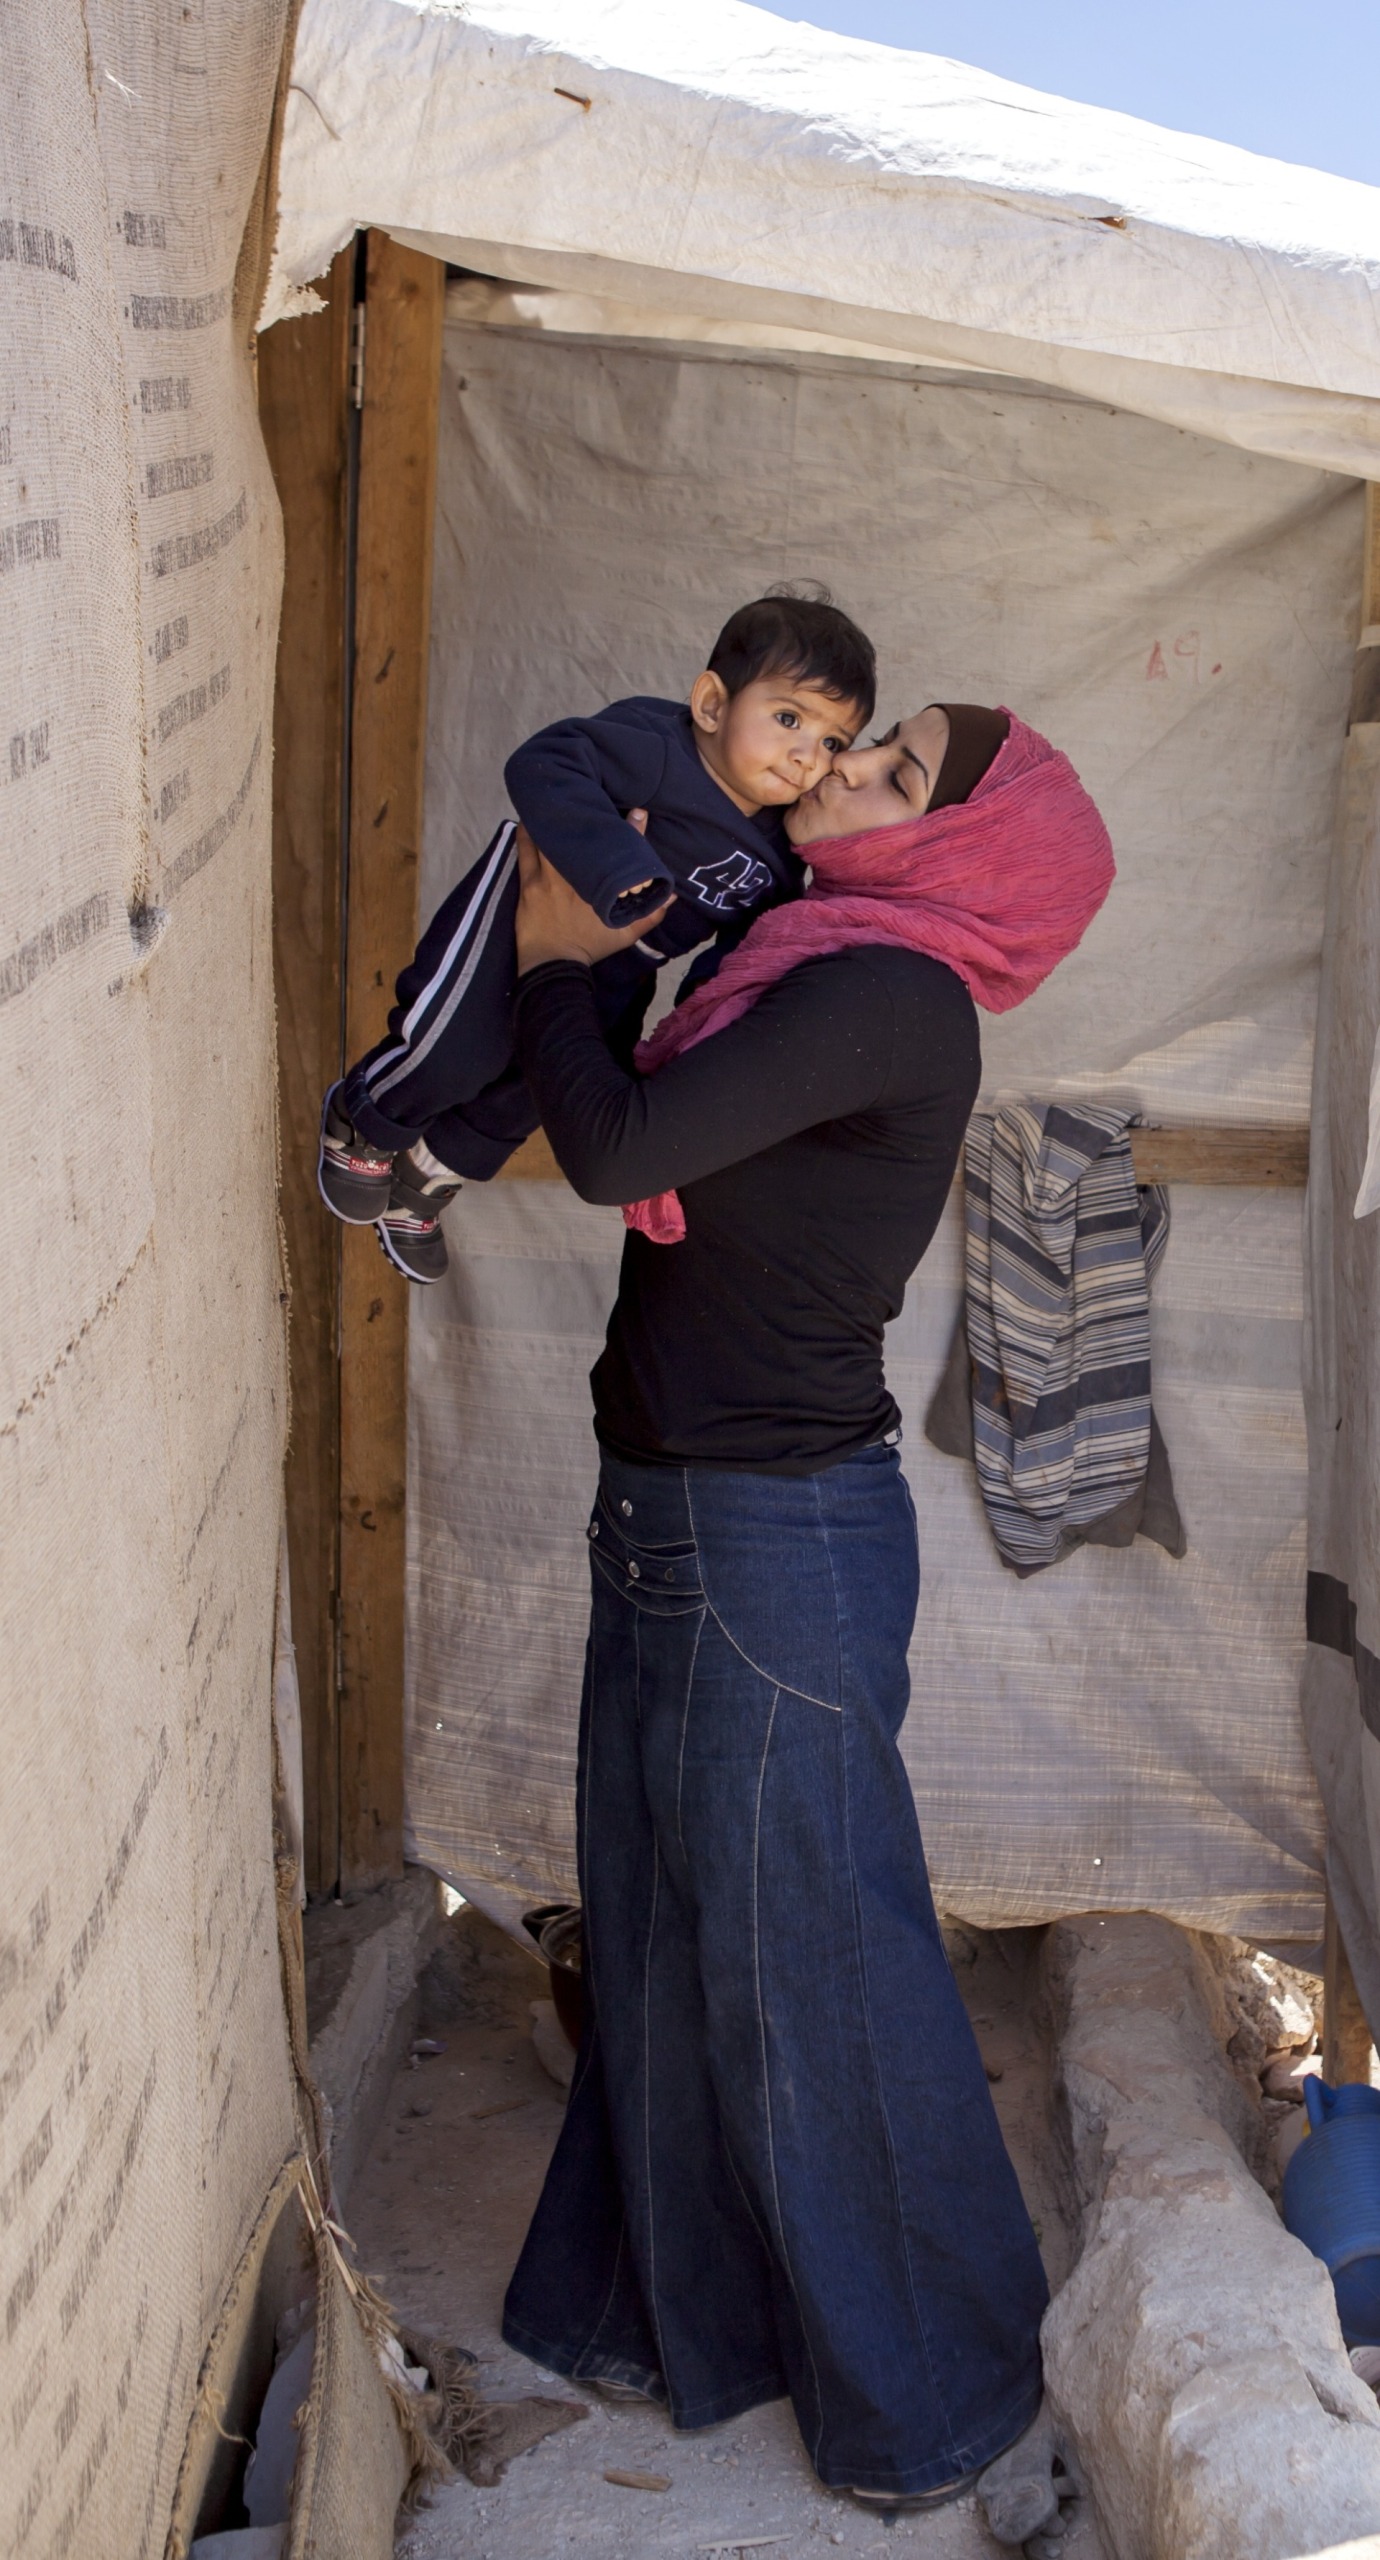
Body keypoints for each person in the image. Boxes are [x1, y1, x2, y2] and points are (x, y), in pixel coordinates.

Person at [499, 702, 1115, 2509]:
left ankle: (939, 2401)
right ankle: (678, 2318)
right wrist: (592, 967)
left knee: (815, 1971)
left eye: (897, 772)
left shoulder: (890, 997)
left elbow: (616, 1155)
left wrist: (550, 961)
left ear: (964, 852)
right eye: (865, 743)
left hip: (765, 1542)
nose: (842, 769)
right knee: (677, 1934)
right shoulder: (804, 957)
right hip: (692, 1516)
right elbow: (651, 1118)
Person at [316, 591, 875, 1280]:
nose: (805, 756)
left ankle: (425, 1181)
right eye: (789, 718)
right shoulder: (660, 747)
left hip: (621, 967)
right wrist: (616, 864)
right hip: (525, 906)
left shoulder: (780, 851)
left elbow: (752, 944)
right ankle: (366, 1118)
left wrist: (701, 1010)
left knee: (545, 1083)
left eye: (832, 742)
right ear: (711, 705)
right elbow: (543, 763)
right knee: (460, 1045)